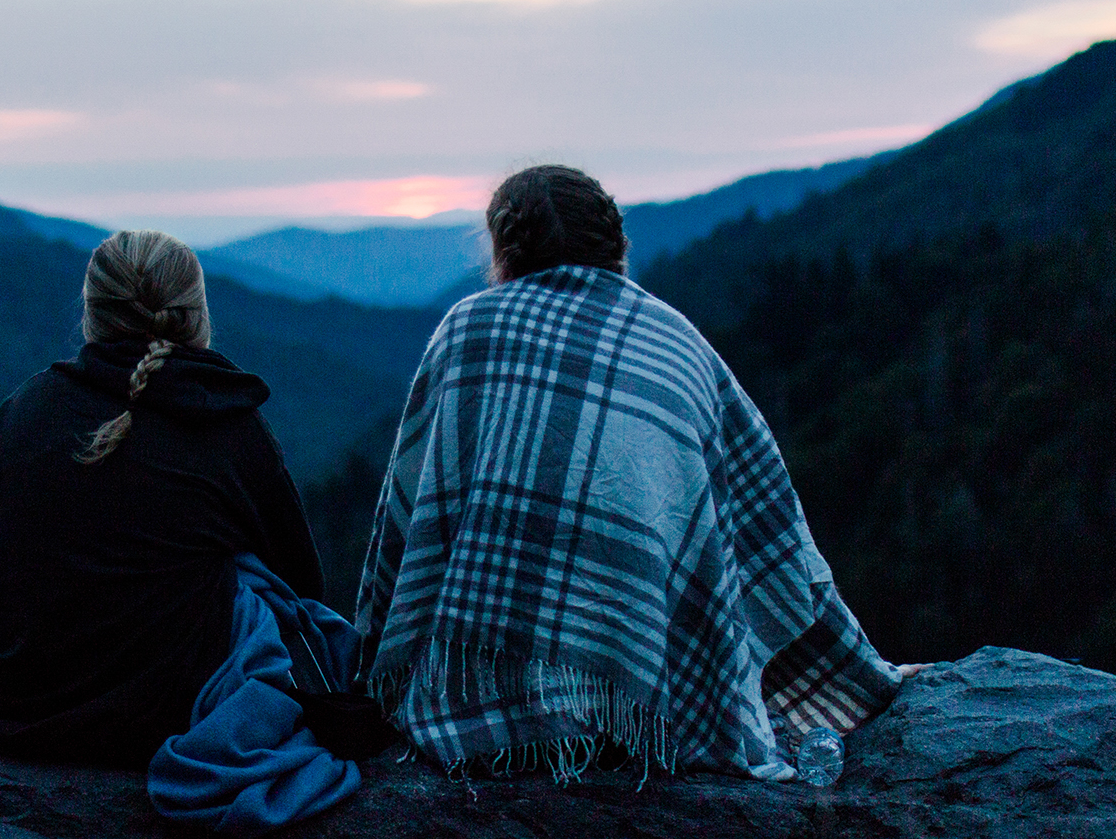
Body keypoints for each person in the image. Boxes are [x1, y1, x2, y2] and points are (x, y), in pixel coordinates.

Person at [354, 165, 913, 783]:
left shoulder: (467, 328)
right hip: (646, 713)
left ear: (505, 251)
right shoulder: (679, 345)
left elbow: (408, 519)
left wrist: (374, 655)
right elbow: (761, 526)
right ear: (616, 245)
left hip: (468, 703)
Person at [0, 229, 329, 770]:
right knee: (249, 578)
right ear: (195, 314)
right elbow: (304, 587)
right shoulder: (228, 425)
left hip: (13, 710)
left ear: (92, 315)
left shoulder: (24, 410)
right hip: (160, 719)